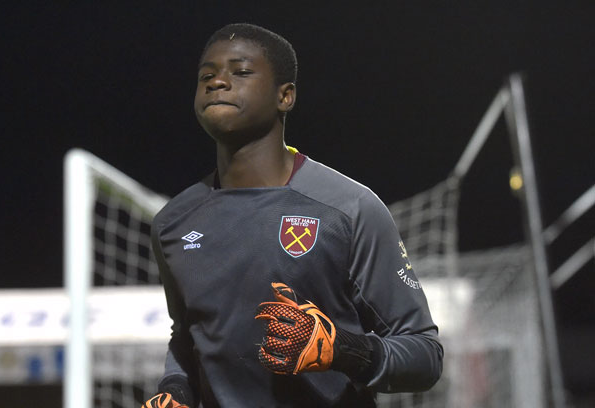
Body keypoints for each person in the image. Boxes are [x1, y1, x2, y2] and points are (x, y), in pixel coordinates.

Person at [144, 23, 443, 408]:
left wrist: (343, 350)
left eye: (241, 71)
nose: (218, 82)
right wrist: (177, 390)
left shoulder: (349, 209)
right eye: (207, 75)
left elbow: (424, 354)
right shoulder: (173, 223)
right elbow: (187, 338)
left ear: (285, 96)